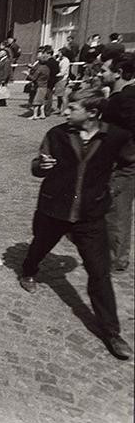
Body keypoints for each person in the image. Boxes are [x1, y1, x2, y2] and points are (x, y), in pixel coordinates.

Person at [20, 88, 134, 360]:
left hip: (90, 214)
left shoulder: (116, 137)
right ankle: (28, 270)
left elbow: (129, 165)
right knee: (40, 245)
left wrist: (112, 190)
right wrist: (41, 166)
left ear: (92, 113)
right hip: (54, 208)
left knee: (100, 273)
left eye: (73, 108)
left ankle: (111, 331)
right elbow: (37, 165)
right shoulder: (57, 134)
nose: (65, 112)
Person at [100, 54, 135, 272]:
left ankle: (117, 257)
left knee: (118, 211)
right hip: (126, 160)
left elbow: (109, 133)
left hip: (124, 163)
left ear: (119, 73)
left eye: (104, 70)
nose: (100, 73)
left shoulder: (122, 100)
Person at [29, 49, 51, 120]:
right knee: (42, 101)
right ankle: (42, 114)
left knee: (36, 101)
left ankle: (35, 115)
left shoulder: (40, 69)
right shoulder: (47, 68)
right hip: (45, 86)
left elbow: (34, 78)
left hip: (39, 86)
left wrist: (27, 74)